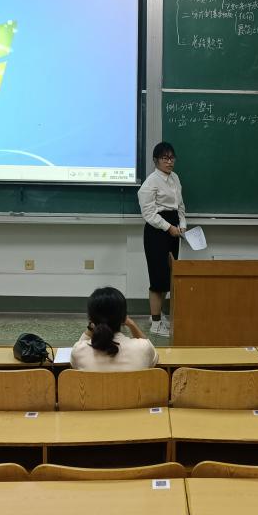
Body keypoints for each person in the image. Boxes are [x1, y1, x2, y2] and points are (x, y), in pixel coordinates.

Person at [137, 141, 186, 338]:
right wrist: (169, 227)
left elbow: (180, 206)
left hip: (173, 229)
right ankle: (155, 324)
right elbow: (149, 213)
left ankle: (157, 316)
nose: (169, 161)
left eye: (172, 157)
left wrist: (182, 224)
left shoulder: (175, 178)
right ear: (156, 160)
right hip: (157, 232)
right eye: (165, 158)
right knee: (158, 279)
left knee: (168, 276)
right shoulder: (150, 183)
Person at [70, 286, 158, 371]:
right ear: (123, 317)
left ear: (91, 319)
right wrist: (132, 324)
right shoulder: (144, 348)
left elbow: (75, 361)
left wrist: (91, 327)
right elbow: (153, 359)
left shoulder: (79, 351)